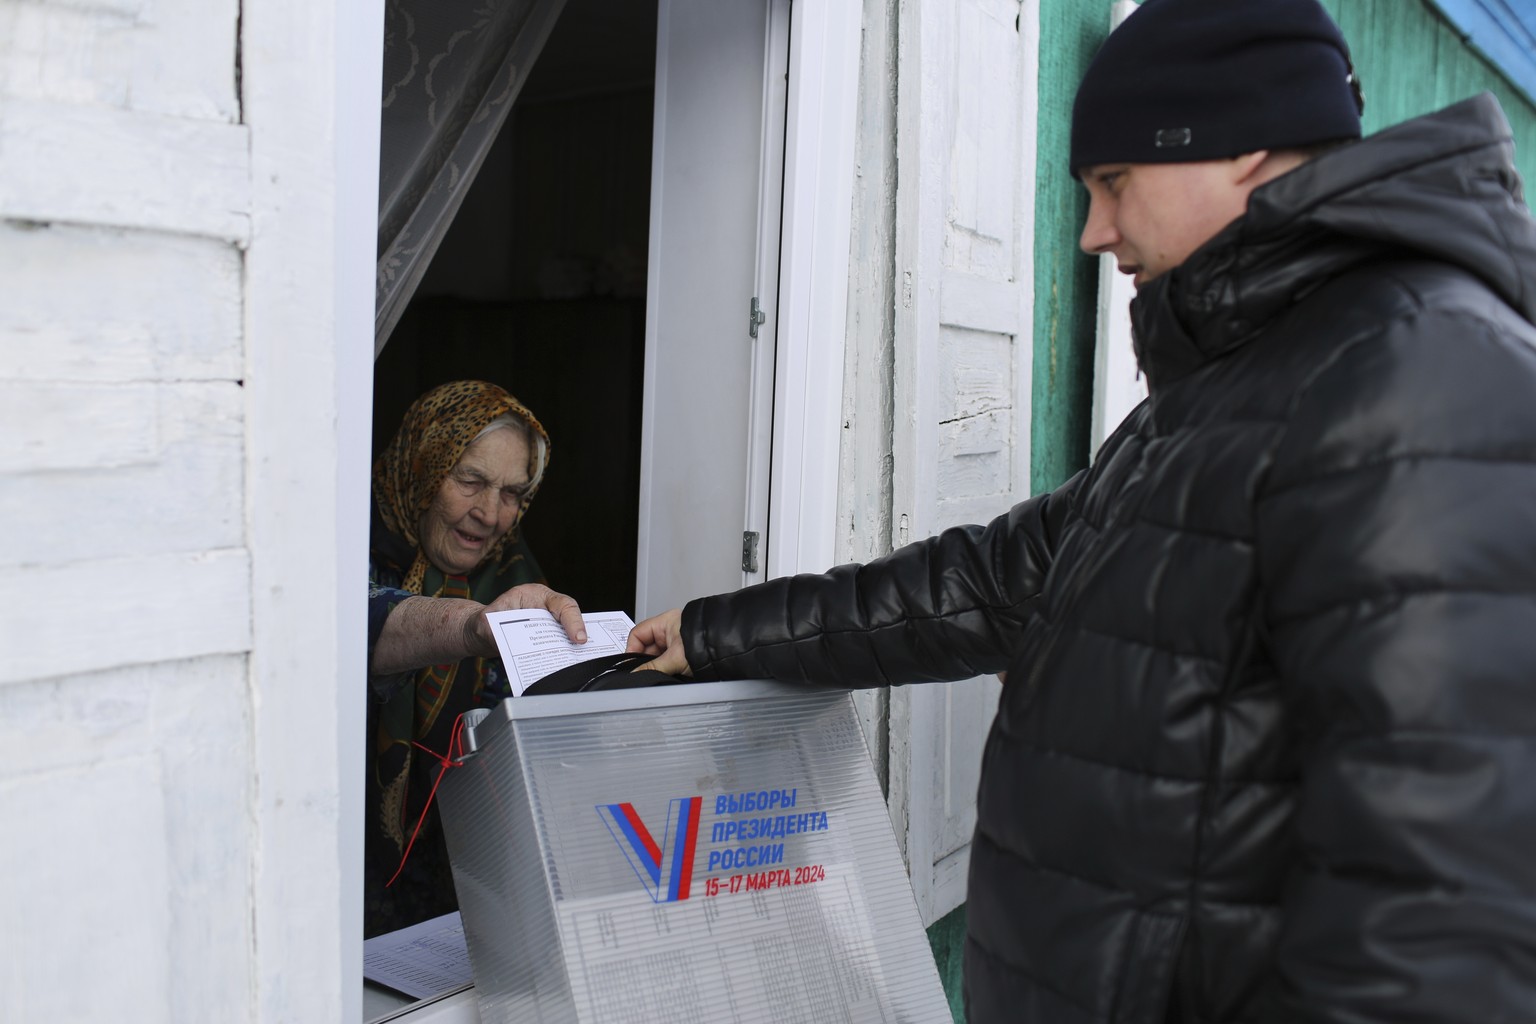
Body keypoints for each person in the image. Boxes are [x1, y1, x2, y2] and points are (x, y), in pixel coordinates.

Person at [629, 0, 1536, 1019]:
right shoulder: (1228, 390)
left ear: (1244, 149)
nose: (1095, 231)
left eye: (1115, 182)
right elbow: (980, 582)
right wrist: (709, 635)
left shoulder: (1416, 375)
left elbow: (1439, 910)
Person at [366, 379, 585, 936]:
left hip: (462, 889)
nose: (490, 514)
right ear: (424, 467)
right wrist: (476, 627)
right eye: (470, 481)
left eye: (512, 493)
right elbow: (360, 627)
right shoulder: (344, 543)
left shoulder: (515, 574)